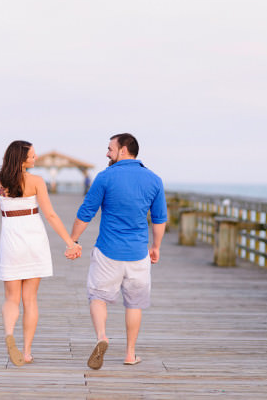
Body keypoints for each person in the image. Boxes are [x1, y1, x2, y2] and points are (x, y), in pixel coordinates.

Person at [67, 133, 168, 369]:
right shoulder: (154, 180)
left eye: (110, 148)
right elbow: (159, 219)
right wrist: (156, 247)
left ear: (123, 150)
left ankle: (102, 336)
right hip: (138, 253)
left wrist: (73, 240)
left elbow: (86, 213)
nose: (107, 153)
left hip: (107, 252)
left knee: (98, 297)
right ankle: (130, 354)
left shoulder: (104, 177)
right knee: (134, 304)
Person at [0, 140, 82, 366]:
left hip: (10, 241)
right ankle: (26, 352)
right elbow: (51, 215)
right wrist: (70, 243)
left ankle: (9, 334)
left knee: (11, 298)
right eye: (33, 156)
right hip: (34, 241)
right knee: (30, 299)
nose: (35, 159)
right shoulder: (36, 181)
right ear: (22, 159)